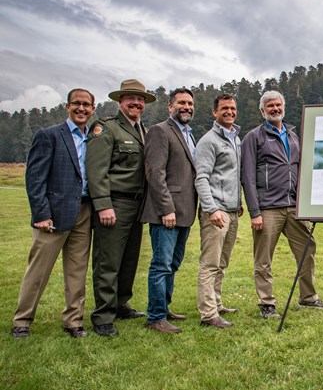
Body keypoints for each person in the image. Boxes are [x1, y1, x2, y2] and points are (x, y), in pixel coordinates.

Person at [11, 89, 95, 339]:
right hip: (53, 214)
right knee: (38, 271)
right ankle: (22, 321)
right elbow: (35, 178)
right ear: (68, 106)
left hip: (84, 211)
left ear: (93, 109)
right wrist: (41, 213)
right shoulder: (49, 135)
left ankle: (73, 321)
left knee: (77, 271)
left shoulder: (95, 138)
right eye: (77, 104)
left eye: (86, 105)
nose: (82, 109)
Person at [241, 90, 323, 319]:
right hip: (268, 208)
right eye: (270, 106)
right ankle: (267, 304)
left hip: (294, 207)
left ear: (284, 107)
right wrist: (255, 212)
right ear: (262, 111)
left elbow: (302, 171)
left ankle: (308, 298)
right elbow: (248, 177)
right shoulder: (254, 137)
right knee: (263, 259)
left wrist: (308, 205)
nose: (275, 109)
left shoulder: (293, 137)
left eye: (278, 105)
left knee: (307, 249)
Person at [86, 79, 156, 336]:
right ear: (120, 101)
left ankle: (120, 304)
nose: (136, 103)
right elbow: (96, 171)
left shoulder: (143, 131)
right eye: (130, 98)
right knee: (108, 261)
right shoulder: (106, 129)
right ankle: (103, 316)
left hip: (138, 205)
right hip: (115, 203)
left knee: (129, 260)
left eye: (140, 100)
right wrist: (103, 205)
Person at [140, 88, 197, 334]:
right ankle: (155, 316)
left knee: (173, 263)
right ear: (170, 106)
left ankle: (165, 307)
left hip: (185, 211)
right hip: (167, 212)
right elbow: (155, 172)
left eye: (190, 103)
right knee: (161, 264)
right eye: (181, 102)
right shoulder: (160, 131)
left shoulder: (189, 134)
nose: (186, 106)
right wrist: (166, 209)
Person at [195, 94, 242, 329]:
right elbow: (201, 178)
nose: (229, 112)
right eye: (224, 108)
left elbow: (232, 176)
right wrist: (211, 208)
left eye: (233, 108)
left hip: (232, 212)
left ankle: (217, 303)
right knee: (210, 263)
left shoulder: (235, 139)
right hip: (216, 212)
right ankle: (208, 313)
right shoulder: (209, 141)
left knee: (222, 263)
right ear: (215, 112)